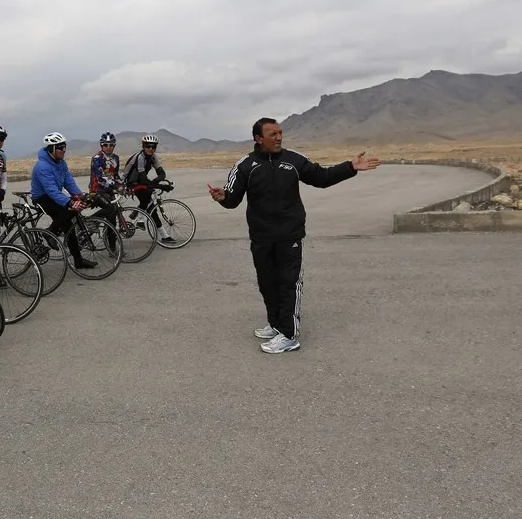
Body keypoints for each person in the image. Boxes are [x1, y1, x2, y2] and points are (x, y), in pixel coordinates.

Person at [207, 117, 381, 353]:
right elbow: (233, 199)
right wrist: (222, 198)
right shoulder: (245, 165)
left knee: (288, 283)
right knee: (267, 283)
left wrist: (350, 167)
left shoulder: (293, 160)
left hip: (289, 235)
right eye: (272, 134)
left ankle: (289, 335)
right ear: (259, 139)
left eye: (280, 133)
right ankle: (276, 324)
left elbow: (322, 178)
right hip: (261, 236)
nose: (279, 138)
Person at [30, 132, 98, 270]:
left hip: (54, 195)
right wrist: (70, 202)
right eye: (60, 148)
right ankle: (50, 232)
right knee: (70, 210)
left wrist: (79, 195)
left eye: (64, 147)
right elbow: (51, 191)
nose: (64, 150)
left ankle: (78, 260)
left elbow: (69, 182)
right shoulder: (42, 166)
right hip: (42, 198)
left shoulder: (61, 163)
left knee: (69, 226)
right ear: (51, 149)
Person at [121, 133, 177, 244]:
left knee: (152, 209)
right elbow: (142, 177)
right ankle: (140, 220)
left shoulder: (153, 157)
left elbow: (162, 173)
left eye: (153, 147)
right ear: (143, 146)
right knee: (147, 196)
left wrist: (157, 181)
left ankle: (164, 236)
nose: (151, 149)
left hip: (141, 181)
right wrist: (160, 186)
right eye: (148, 146)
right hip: (130, 182)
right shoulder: (140, 157)